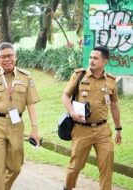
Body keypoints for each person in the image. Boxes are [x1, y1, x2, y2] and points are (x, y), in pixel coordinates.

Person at [0, 42, 41, 190]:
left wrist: (35, 128)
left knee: (16, 167)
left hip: (16, 125)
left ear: (15, 57)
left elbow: (31, 103)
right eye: (3, 57)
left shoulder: (26, 77)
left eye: (10, 56)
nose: (7, 59)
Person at [62, 46, 122, 190]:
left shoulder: (111, 81)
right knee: (75, 166)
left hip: (102, 130)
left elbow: (114, 106)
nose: (91, 61)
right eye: (90, 57)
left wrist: (118, 128)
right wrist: (71, 112)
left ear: (104, 61)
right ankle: (67, 188)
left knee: (107, 167)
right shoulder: (79, 75)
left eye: (95, 58)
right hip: (82, 130)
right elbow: (65, 96)